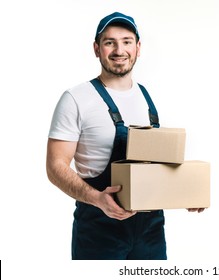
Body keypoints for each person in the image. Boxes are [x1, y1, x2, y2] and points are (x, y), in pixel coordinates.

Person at [46, 11, 204, 260]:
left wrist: (183, 192)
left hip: (150, 231)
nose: (120, 50)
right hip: (98, 231)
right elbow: (55, 166)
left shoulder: (145, 96)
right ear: (97, 49)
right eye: (110, 42)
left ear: (138, 48)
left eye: (127, 41)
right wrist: (97, 199)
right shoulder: (76, 98)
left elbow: (152, 166)